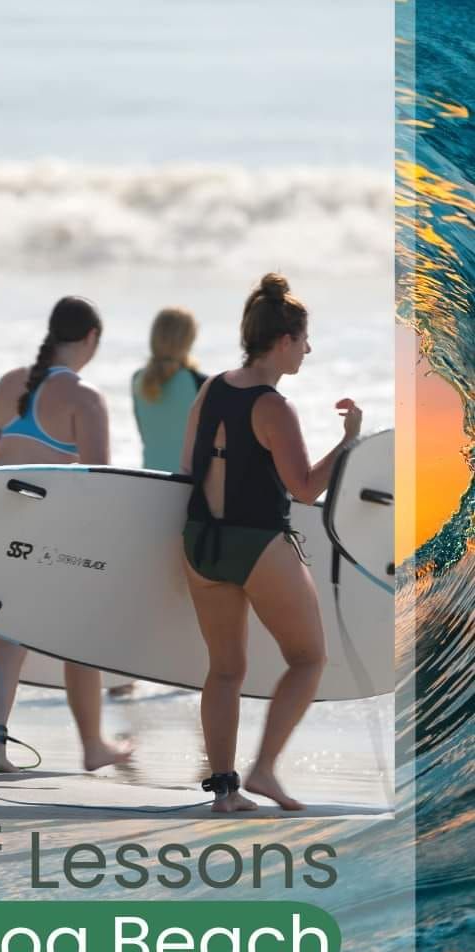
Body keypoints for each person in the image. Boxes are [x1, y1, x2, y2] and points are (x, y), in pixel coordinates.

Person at [180, 272, 362, 813]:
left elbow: (189, 464)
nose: (308, 349)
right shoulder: (273, 408)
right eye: (303, 340)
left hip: (199, 542)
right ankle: (262, 769)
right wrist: (348, 443)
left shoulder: (212, 386)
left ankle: (224, 791)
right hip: (257, 543)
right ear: (282, 341)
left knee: (225, 669)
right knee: (309, 659)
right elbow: (305, 489)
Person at [0, 296, 132, 773]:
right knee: (80, 638)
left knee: (9, 635)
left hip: (0, 529)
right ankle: (93, 746)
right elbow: (101, 484)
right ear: (91, 339)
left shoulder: (5, 385)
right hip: (54, 537)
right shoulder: (85, 398)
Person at [131, 307, 206, 472]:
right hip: (186, 485)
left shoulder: (137, 379)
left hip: (148, 478)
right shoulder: (200, 383)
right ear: (189, 340)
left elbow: (145, 436)